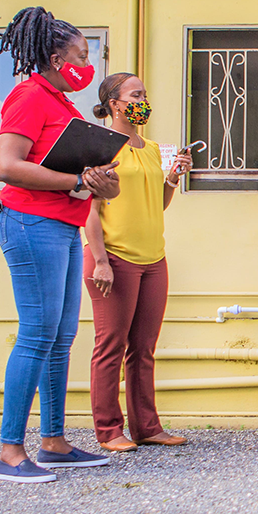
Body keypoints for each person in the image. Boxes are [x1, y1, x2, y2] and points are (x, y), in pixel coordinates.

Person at [0, 6, 121, 483]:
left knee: (61, 335)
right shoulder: (30, 96)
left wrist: (96, 182)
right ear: (53, 56)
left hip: (62, 224)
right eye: (81, 56)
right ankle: (9, 452)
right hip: (28, 222)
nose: (87, 66)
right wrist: (74, 178)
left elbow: (70, 175)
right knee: (37, 334)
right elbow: (6, 166)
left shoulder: (63, 104)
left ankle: (53, 442)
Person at [83, 73, 193, 453]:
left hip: (153, 259)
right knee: (110, 346)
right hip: (113, 258)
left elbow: (157, 204)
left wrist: (172, 179)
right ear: (115, 103)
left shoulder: (150, 149)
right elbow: (90, 210)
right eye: (136, 95)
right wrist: (100, 261)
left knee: (144, 347)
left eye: (145, 94)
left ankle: (147, 427)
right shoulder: (101, 148)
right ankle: (109, 430)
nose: (143, 100)